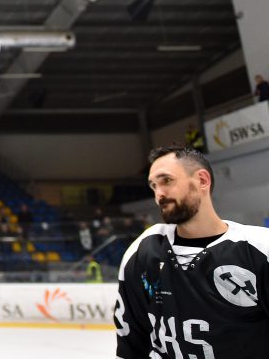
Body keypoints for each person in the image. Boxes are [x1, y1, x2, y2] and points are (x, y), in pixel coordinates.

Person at [114, 146, 269, 357]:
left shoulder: (258, 249)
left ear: (202, 180)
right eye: (153, 185)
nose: (159, 194)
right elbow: (132, 344)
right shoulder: (145, 250)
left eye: (166, 180)